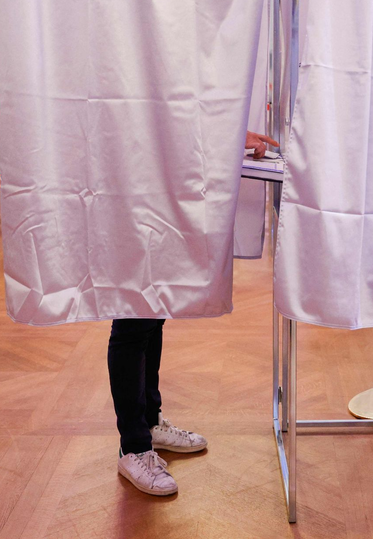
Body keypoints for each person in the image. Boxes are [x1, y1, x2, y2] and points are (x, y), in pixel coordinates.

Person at [113, 129, 279, 496]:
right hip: (132, 187)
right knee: (132, 316)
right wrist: (229, 136)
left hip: (153, 187)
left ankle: (149, 423)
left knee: (152, 309)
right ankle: (133, 446)